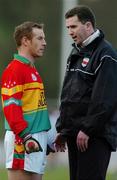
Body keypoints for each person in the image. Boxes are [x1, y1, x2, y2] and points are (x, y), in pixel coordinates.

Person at [55, 5, 117, 180]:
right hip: (76, 134)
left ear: (88, 26)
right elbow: (69, 94)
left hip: (94, 136)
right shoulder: (76, 52)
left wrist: (88, 129)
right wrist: (63, 128)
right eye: (67, 27)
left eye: (73, 26)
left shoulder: (106, 54)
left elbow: (105, 99)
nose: (69, 31)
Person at [1, 21, 51, 180]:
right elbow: (10, 108)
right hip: (23, 138)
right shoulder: (15, 70)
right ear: (25, 41)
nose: (44, 43)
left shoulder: (31, 69)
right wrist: (26, 136)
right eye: (40, 38)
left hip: (35, 137)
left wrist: (47, 139)